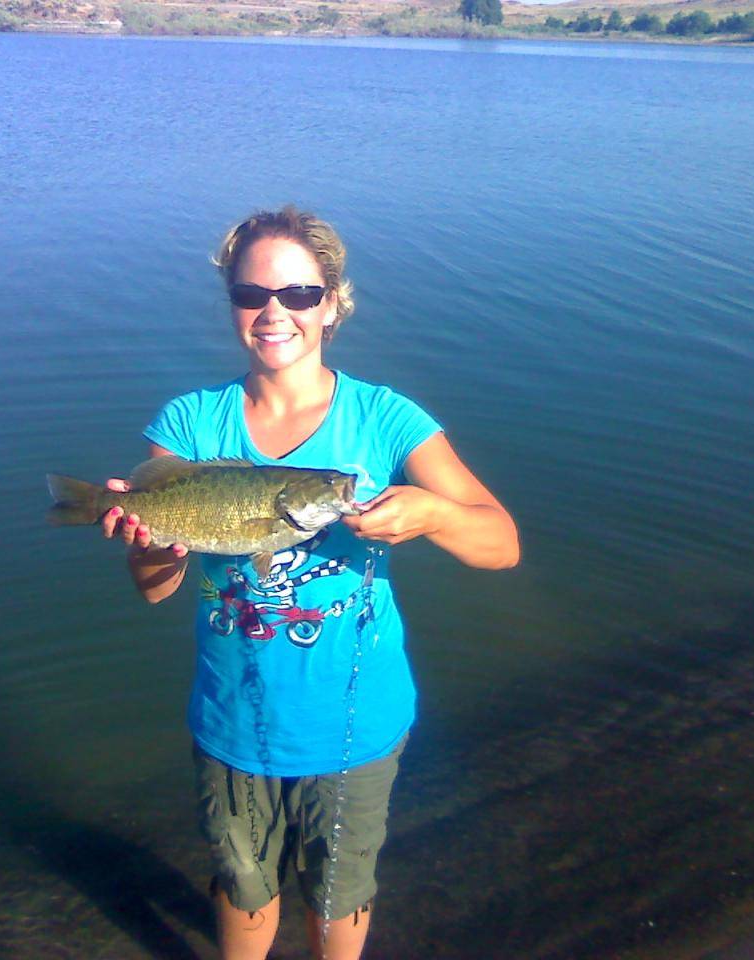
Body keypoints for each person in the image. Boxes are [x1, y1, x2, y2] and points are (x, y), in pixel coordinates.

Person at [101, 207, 519, 960]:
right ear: (231, 302)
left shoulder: (387, 420)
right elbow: (156, 587)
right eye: (251, 293)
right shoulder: (191, 423)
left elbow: (502, 544)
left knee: (339, 896)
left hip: (357, 727)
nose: (273, 312)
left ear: (330, 303)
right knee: (242, 887)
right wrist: (149, 540)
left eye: (297, 294)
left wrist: (432, 514)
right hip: (232, 725)